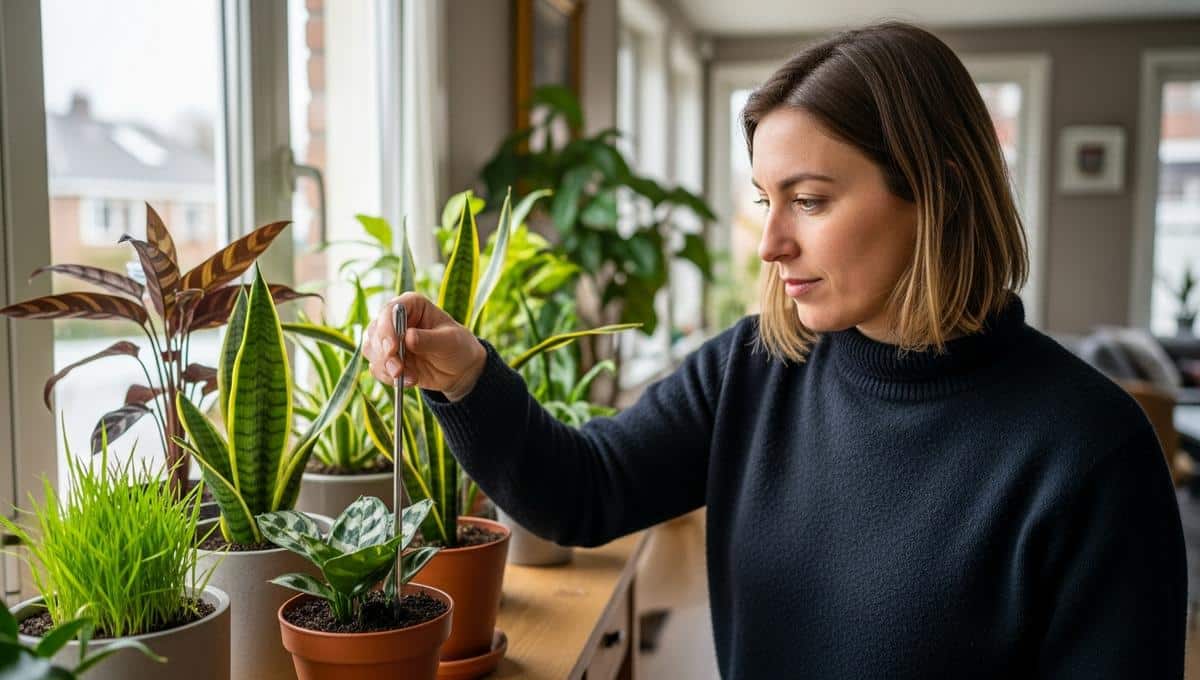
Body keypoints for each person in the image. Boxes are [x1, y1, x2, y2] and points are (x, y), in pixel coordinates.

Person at [364, 21, 1186, 679]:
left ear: (936, 191)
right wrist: (466, 375)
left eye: (811, 200)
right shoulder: (754, 367)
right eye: (766, 200)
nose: (771, 243)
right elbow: (581, 494)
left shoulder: (1092, 453)